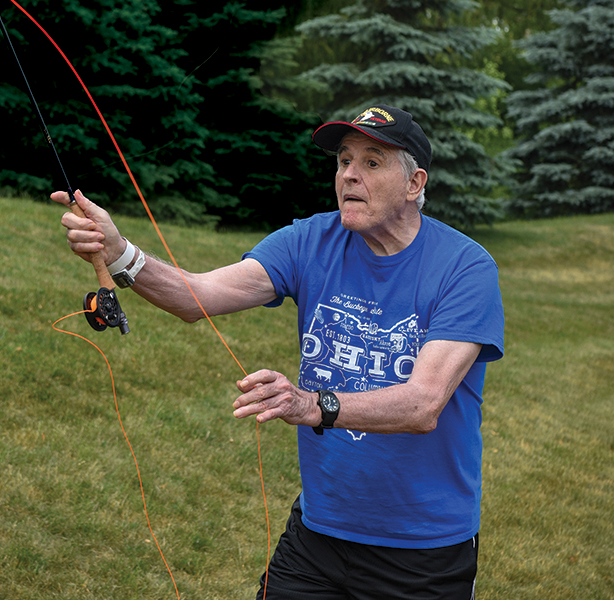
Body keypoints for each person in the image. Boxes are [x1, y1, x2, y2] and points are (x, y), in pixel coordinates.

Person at [53, 104, 504, 600]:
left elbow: (423, 404)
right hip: (318, 535)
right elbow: (195, 296)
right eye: (343, 161)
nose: (349, 175)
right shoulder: (309, 240)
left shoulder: (465, 267)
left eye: (372, 163)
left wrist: (311, 405)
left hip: (423, 553)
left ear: (415, 183)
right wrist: (120, 252)